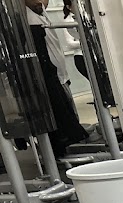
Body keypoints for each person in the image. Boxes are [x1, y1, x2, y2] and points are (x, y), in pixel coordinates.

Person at [23, 0, 88, 157]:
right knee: (61, 115)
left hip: (60, 73)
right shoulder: (30, 20)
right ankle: (62, 150)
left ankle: (72, 143)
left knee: (69, 112)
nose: (42, 1)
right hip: (51, 76)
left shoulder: (42, 14)